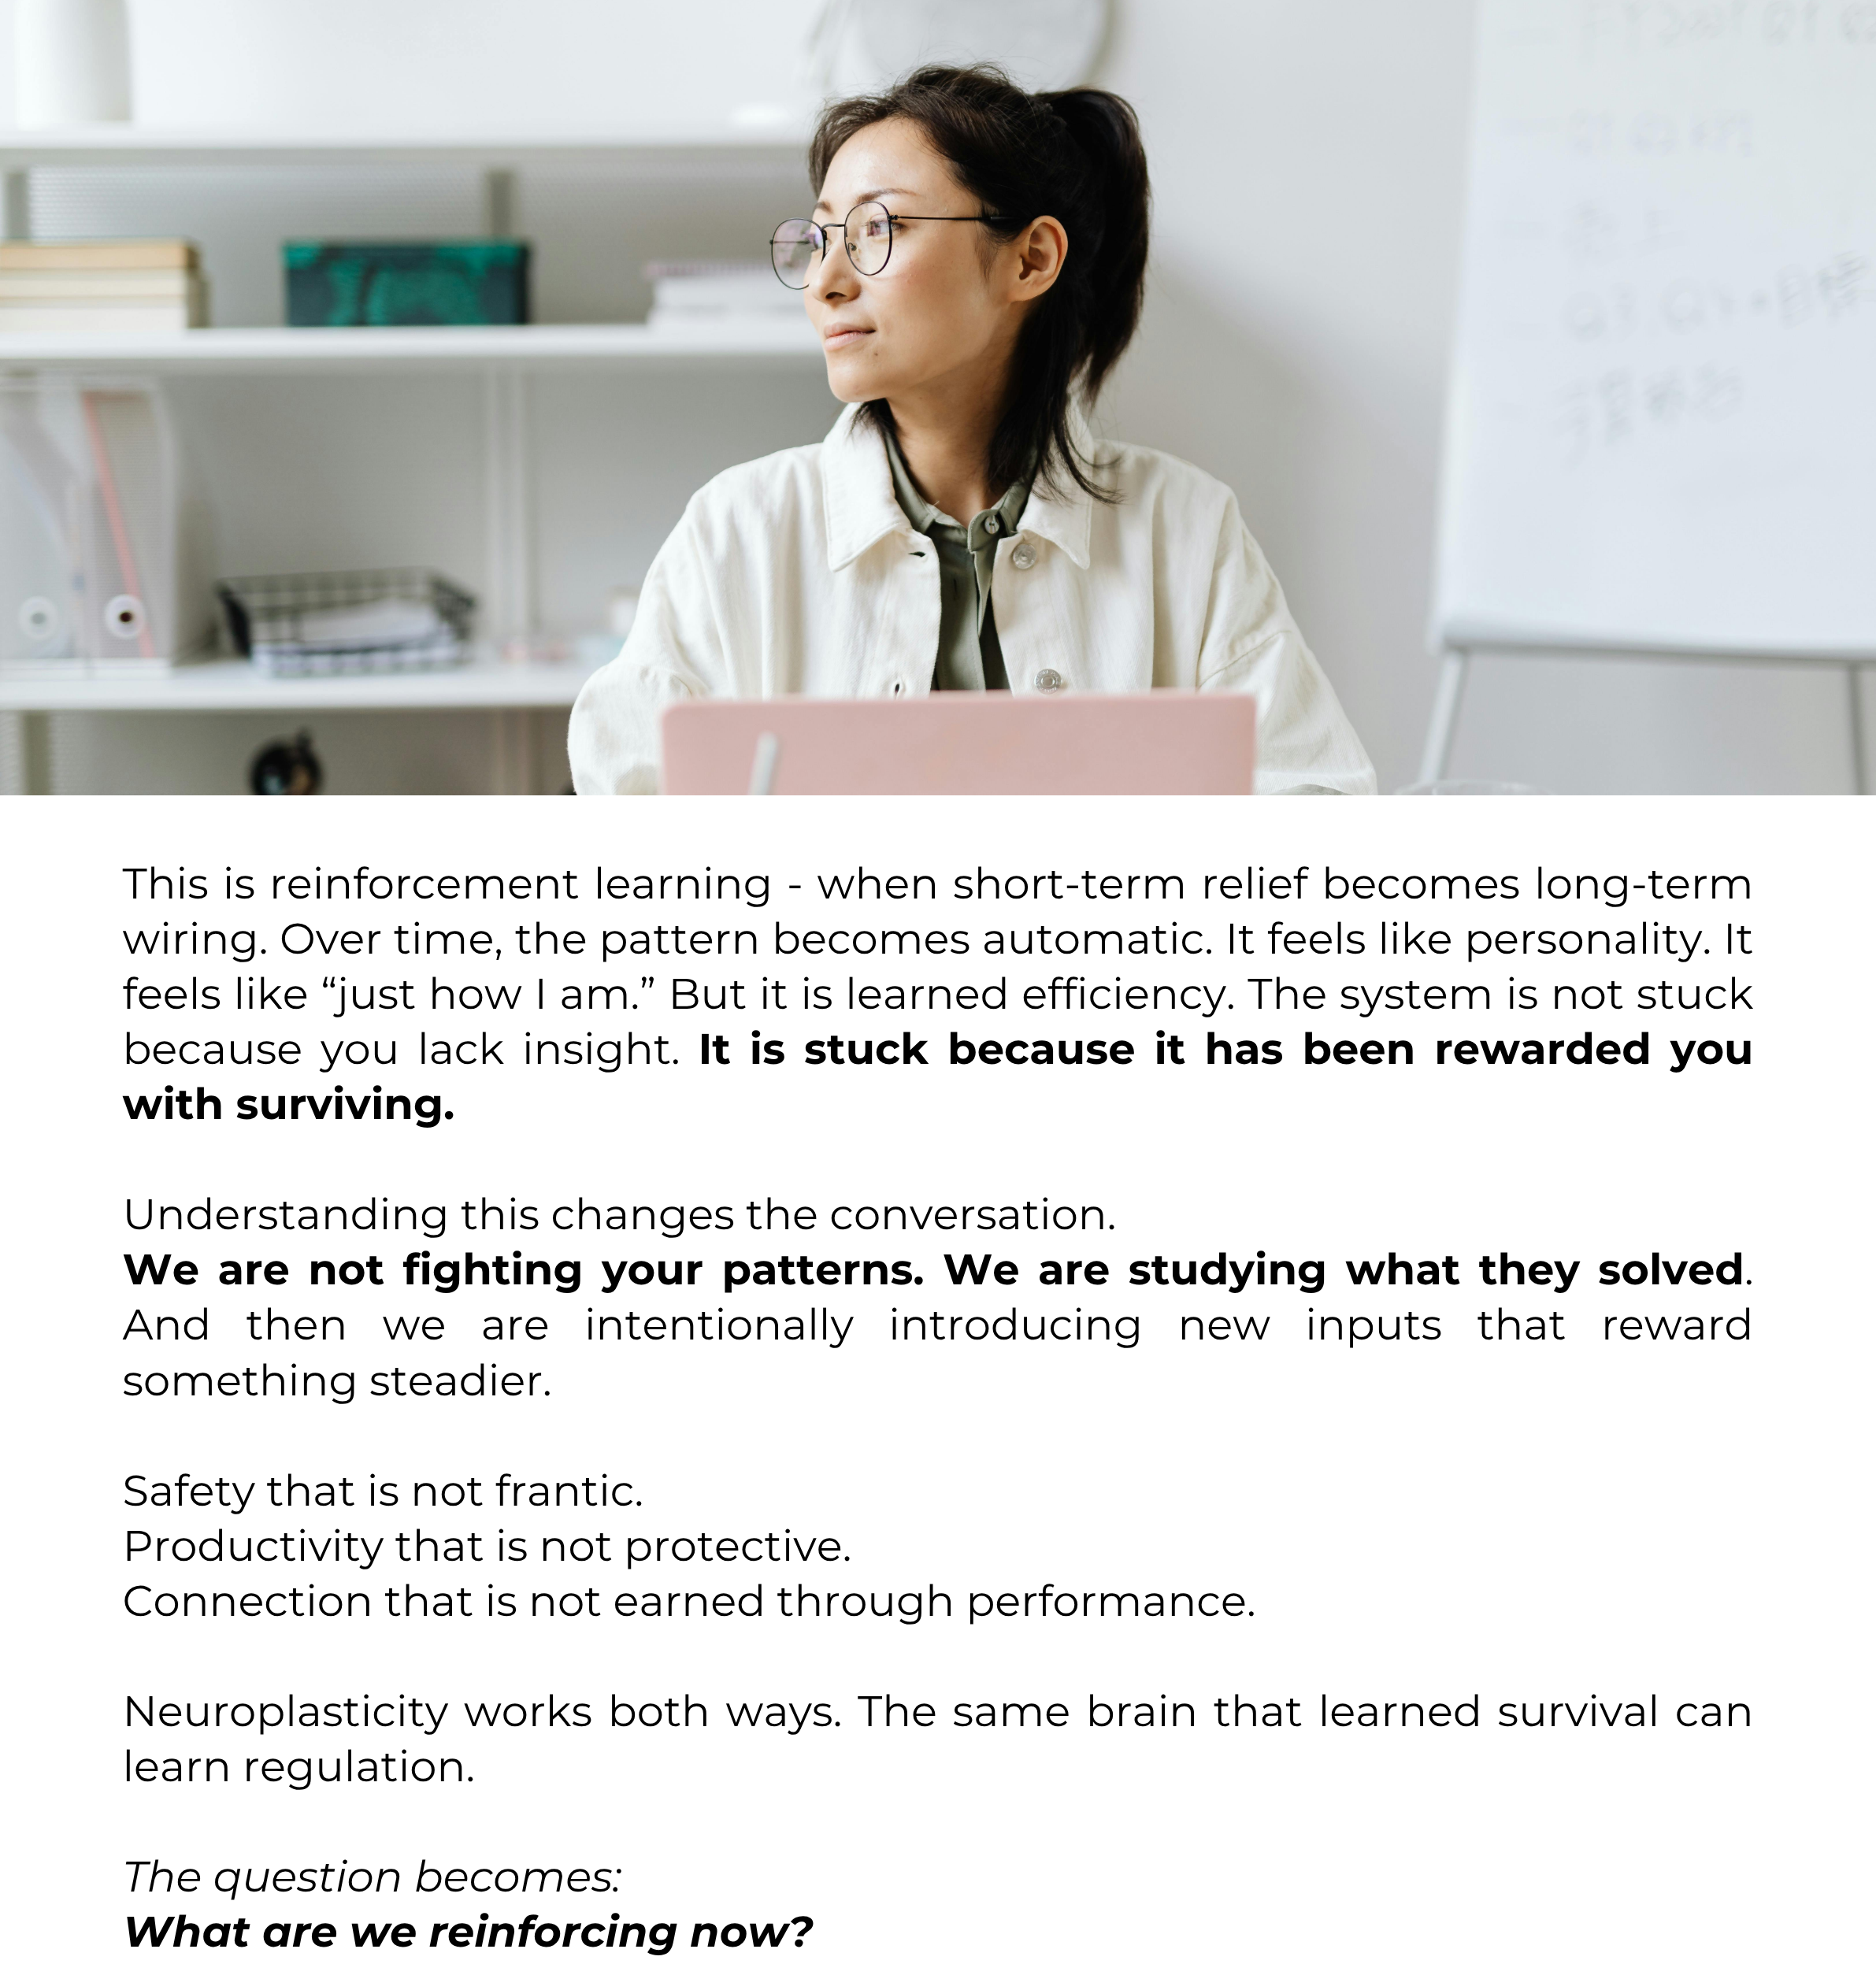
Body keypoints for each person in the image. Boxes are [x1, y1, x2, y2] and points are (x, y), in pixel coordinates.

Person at [571, 65, 1376, 795]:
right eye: (820, 238)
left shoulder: (1188, 527)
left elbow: (1313, 781)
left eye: (878, 228)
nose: (825, 282)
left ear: (1030, 260)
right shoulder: (737, 528)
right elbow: (623, 772)